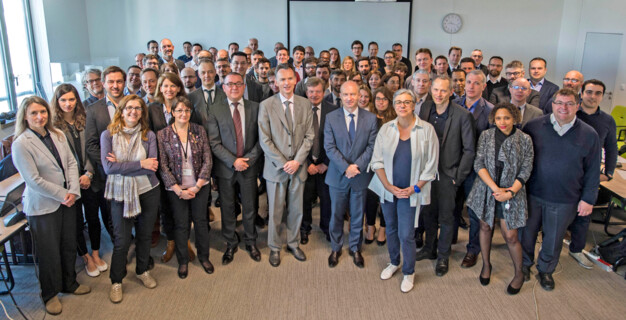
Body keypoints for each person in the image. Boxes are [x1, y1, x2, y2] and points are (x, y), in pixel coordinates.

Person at [12, 96, 91, 315]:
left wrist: (73, 191)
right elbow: (33, 180)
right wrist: (63, 194)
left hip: (68, 200)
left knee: (68, 244)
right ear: (25, 117)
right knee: (48, 252)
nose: (40, 117)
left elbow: (71, 163)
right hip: (44, 205)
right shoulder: (21, 143)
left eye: (43, 112)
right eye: (34, 113)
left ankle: (69, 283)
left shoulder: (57, 134)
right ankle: (50, 294)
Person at [521, 88, 600, 291]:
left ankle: (546, 271)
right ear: (552, 105)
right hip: (533, 194)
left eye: (569, 104)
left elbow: (592, 171)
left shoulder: (589, 135)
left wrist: (588, 199)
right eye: (559, 103)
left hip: (565, 198)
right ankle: (524, 265)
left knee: (554, 238)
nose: (563, 108)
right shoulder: (534, 126)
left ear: (577, 106)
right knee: (527, 234)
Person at [369, 88, 439, 292]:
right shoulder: (386, 129)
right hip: (388, 189)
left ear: (414, 104)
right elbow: (377, 161)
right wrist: (389, 187)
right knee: (390, 227)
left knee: (406, 233)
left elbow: (431, 166)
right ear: (394, 105)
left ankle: (409, 272)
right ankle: (394, 262)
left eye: (407, 102)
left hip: (412, 191)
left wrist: (415, 187)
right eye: (398, 102)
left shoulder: (427, 130)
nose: (402, 105)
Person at [466, 103, 534, 295]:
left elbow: (526, 168)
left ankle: (519, 273)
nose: (502, 122)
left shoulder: (525, 139)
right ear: (493, 119)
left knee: (510, 235)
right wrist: (495, 188)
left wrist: (510, 192)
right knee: (485, 226)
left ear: (515, 118)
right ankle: (486, 265)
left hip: (512, 191)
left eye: (506, 118)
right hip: (488, 189)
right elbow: (478, 162)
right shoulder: (486, 136)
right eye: (498, 118)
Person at [101, 94, 161, 303]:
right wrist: (139, 165)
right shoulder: (108, 135)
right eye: (129, 108)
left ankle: (142, 270)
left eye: (138, 108)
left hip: (148, 191)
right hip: (120, 194)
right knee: (122, 240)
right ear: (122, 110)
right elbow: (109, 168)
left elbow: (152, 167)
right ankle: (116, 281)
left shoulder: (149, 135)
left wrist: (123, 166)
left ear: (142, 113)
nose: (133, 112)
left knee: (145, 235)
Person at [416, 76, 475, 277]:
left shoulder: (462, 115)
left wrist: (457, 177)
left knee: (447, 217)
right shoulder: (425, 109)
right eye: (436, 90)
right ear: (431, 90)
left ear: (451, 92)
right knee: (428, 213)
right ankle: (429, 248)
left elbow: (469, 150)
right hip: (426, 173)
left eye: (443, 90)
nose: (439, 94)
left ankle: (443, 256)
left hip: (448, 174)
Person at [258, 64, 314, 267]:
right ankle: (274, 247)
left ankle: (293, 243)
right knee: (275, 211)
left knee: (296, 209)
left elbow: (309, 136)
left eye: (290, 78)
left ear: (296, 79)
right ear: (275, 82)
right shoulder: (266, 106)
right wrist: (284, 163)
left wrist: (297, 161)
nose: (286, 83)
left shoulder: (305, 104)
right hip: (276, 168)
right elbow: (265, 140)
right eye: (282, 79)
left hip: (298, 167)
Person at [51, 84, 108, 278]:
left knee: (94, 217)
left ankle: (96, 253)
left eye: (72, 99)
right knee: (75, 221)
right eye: (63, 100)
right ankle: (85, 257)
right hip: (69, 181)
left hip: (90, 178)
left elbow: (93, 148)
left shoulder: (86, 118)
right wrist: (76, 180)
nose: (68, 104)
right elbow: (59, 159)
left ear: (77, 100)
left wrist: (89, 174)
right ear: (57, 102)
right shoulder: (53, 126)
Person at [207, 72, 263, 264]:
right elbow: (214, 142)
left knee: (250, 207)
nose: (234, 87)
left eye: (239, 84)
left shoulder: (256, 108)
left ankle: (251, 241)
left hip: (249, 166)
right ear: (223, 87)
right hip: (225, 168)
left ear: (244, 87)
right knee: (228, 207)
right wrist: (233, 161)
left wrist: (247, 159)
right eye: (230, 84)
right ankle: (230, 242)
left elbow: (261, 140)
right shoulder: (214, 110)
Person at [157, 96, 214, 278]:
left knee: (201, 222)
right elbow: (163, 165)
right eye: (180, 110)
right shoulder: (163, 134)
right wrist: (178, 190)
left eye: (187, 110)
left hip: (199, 185)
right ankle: (183, 261)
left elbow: (207, 159)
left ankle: (204, 257)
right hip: (176, 189)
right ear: (173, 112)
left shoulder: (199, 130)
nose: (184, 114)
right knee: (181, 225)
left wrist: (197, 187)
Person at [325, 81, 378, 269]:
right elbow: (329, 147)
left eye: (353, 94)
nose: (349, 98)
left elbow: (372, 147)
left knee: (357, 214)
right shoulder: (331, 117)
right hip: (338, 175)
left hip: (360, 175)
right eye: (345, 94)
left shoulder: (371, 118)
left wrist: (357, 166)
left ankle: (355, 247)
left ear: (359, 95)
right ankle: (336, 247)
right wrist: (345, 167)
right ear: (340, 95)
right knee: (337, 214)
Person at [569, 79, 617, 269]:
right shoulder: (572, 113)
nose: (593, 96)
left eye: (598, 93)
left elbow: (612, 148)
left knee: (584, 213)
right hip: (567, 172)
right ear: (582, 93)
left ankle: (576, 249)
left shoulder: (607, 120)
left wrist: (609, 173)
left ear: (602, 96)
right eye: (589, 92)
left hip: (590, 174)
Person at [147, 72, 193, 263]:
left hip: (184, 164)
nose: (169, 89)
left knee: (183, 205)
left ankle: (186, 241)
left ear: (178, 87)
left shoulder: (185, 105)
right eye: (165, 86)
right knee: (165, 206)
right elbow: (148, 136)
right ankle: (171, 241)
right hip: (161, 165)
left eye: (173, 86)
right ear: (160, 88)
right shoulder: (153, 109)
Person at [300, 77, 337, 243]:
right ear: (306, 92)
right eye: (311, 91)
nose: (314, 95)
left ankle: (326, 227)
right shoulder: (299, 110)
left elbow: (338, 139)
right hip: (305, 164)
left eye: (318, 91)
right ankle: (304, 227)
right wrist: (307, 163)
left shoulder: (334, 110)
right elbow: (295, 139)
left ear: (324, 92)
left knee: (327, 199)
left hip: (325, 164)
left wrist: (326, 163)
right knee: (304, 198)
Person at [365, 87, 397, 245]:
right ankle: (370, 227)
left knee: (385, 197)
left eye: (384, 99)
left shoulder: (395, 119)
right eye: (378, 98)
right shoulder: (368, 117)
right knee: (370, 198)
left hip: (389, 165)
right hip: (370, 164)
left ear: (390, 102)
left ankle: (383, 229)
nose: (381, 102)